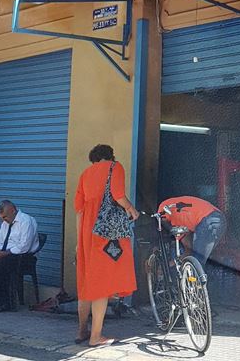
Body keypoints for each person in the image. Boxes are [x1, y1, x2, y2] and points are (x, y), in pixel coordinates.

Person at [74, 144, 139, 347]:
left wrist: (78, 243)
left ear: (94, 159)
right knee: (101, 285)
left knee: (86, 282)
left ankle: (82, 331)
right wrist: (131, 208)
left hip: (86, 232)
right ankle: (96, 337)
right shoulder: (114, 167)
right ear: (110, 156)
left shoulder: (85, 174)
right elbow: (118, 194)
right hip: (106, 233)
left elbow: (79, 210)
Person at [0, 200, 39, 313]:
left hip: (23, 256)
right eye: (2, 218)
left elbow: (24, 246)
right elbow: (1, 243)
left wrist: (3, 254)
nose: (4, 220)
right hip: (7, 254)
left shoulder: (26, 221)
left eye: (5, 217)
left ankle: (6, 302)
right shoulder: (5, 223)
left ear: (13, 211)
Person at [158, 195, 226, 266]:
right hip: (220, 219)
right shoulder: (181, 221)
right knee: (200, 261)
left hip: (207, 220)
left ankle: (197, 275)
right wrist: (172, 264)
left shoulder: (163, 210)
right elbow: (189, 250)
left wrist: (167, 266)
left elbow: (162, 219)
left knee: (197, 262)